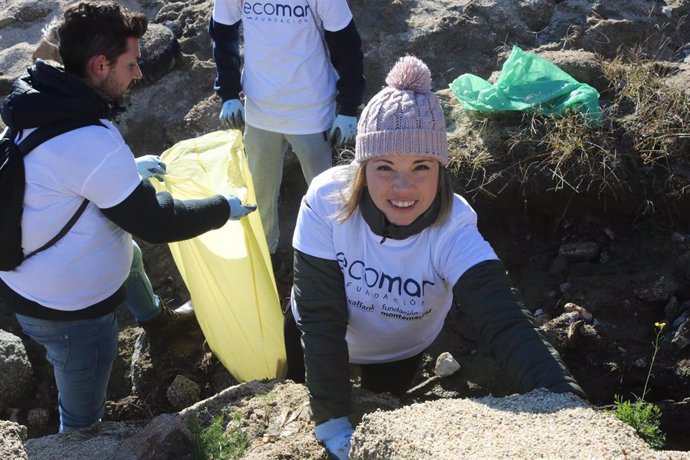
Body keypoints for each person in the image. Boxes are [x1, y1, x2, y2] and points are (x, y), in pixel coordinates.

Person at [284, 56, 586, 459]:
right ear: (362, 168)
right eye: (385, 167)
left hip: (397, 350)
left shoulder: (454, 227)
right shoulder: (327, 200)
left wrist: (573, 412)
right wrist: (332, 419)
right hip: (312, 337)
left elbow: (505, 320)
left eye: (421, 166)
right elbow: (321, 315)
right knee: (301, 402)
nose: (403, 186)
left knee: (384, 401)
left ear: (440, 169)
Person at [0, 1, 256, 433]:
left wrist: (126, 169)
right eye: (131, 64)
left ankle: (157, 320)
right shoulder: (89, 142)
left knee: (130, 256)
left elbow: (60, 173)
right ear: (100, 65)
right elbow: (158, 221)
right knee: (81, 413)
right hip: (70, 313)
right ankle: (78, 442)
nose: (138, 74)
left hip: (33, 277)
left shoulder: (41, 98)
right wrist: (222, 207)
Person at [209, 0, 366, 273]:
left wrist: (349, 107)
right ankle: (265, 258)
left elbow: (347, 45)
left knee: (326, 196)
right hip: (259, 110)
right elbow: (223, 35)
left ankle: (331, 262)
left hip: (312, 111)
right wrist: (230, 94)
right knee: (258, 194)